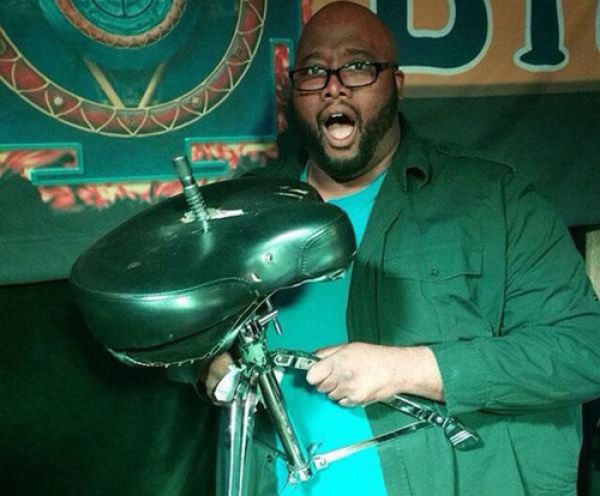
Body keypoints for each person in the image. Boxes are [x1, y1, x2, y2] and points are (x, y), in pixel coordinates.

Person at [203, 2, 600, 494]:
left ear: (397, 83)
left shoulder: (493, 200)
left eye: (358, 66)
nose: (334, 86)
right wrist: (210, 366)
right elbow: (186, 329)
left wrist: (405, 369)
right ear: (292, 92)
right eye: (314, 71)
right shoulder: (246, 209)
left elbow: (585, 350)